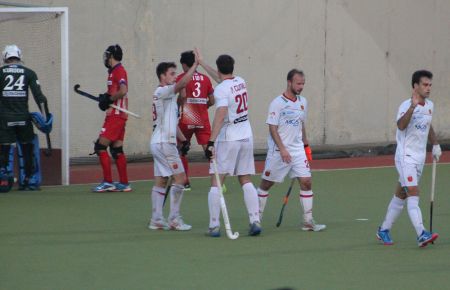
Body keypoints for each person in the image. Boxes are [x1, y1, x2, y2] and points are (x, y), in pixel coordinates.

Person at [197, 49, 261, 237]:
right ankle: (255, 220)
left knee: (216, 181)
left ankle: (214, 226)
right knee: (245, 178)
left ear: (219, 69)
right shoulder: (240, 81)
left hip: (229, 139)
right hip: (246, 137)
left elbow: (221, 113)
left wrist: (210, 141)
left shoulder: (221, 89)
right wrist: (202, 62)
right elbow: (221, 80)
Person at [377, 70, 441, 247]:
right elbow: (401, 126)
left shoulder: (430, 106)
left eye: (430, 85)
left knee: (401, 195)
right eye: (424, 85)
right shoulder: (406, 105)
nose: (428, 88)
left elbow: (428, 126)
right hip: (405, 158)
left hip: (420, 158)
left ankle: (383, 230)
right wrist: (412, 107)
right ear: (415, 86)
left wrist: (435, 144)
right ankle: (421, 233)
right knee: (413, 192)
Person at [257, 69, 326, 232]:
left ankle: (308, 222)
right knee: (266, 184)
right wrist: (282, 149)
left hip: (297, 150)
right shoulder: (277, 103)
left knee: (306, 182)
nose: (301, 87)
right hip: (279, 151)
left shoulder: (303, 102)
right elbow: (272, 128)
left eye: (303, 84)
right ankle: (256, 219)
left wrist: (306, 145)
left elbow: (301, 123)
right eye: (298, 83)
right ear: (289, 82)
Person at [148, 55, 199, 231]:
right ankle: (174, 219)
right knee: (181, 179)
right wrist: (194, 66)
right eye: (171, 73)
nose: (174, 76)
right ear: (162, 76)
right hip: (164, 144)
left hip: (159, 142)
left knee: (161, 180)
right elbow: (181, 84)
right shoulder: (163, 91)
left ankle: (156, 219)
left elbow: (171, 122)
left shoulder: (166, 95)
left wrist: (183, 139)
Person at [0, 44, 50, 191]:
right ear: (19, 56)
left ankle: (3, 179)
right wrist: (46, 117)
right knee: (28, 148)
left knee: (4, 148)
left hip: (5, 119)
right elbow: (39, 97)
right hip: (23, 117)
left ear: (5, 57)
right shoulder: (29, 73)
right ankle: (29, 180)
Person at [92, 44, 131, 193]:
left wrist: (109, 100)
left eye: (107, 55)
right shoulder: (113, 72)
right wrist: (106, 97)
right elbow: (113, 92)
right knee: (116, 150)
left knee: (100, 147)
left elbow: (123, 90)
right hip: (117, 115)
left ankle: (108, 182)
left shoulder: (119, 71)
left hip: (116, 116)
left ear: (112, 56)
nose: (106, 58)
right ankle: (124, 183)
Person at [176, 50, 214, 190]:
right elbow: (212, 100)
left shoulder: (182, 78)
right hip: (202, 118)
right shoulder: (206, 78)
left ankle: (185, 182)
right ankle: (217, 182)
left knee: (181, 149)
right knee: (209, 151)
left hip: (188, 117)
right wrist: (204, 107)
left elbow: (182, 96)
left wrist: (177, 106)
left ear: (185, 65)